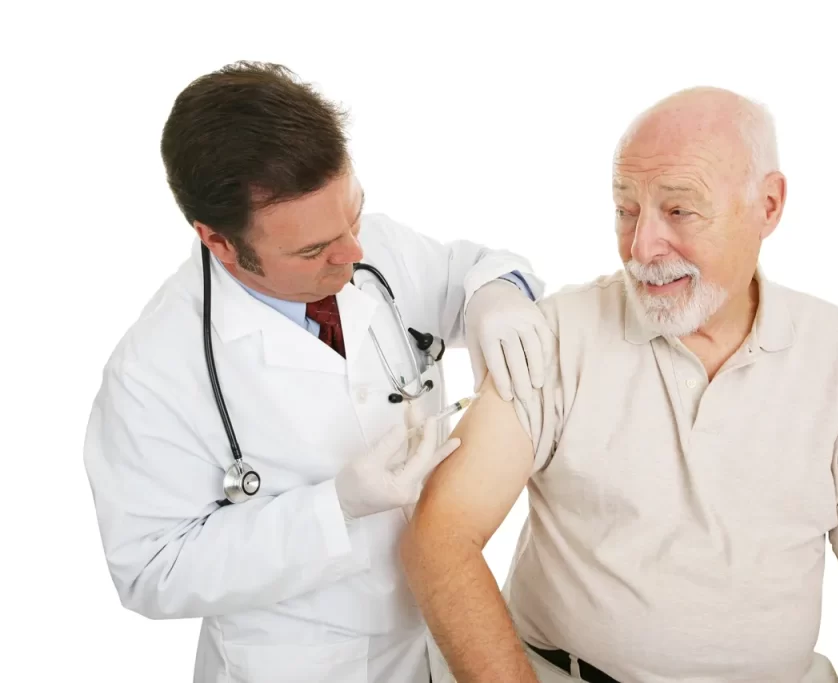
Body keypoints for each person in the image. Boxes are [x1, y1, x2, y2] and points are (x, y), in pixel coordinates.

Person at [401, 87, 838, 683]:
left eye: (679, 211)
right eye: (626, 210)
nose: (642, 248)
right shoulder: (559, 336)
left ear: (768, 205)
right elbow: (442, 534)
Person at [82, 61, 553, 683]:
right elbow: (151, 572)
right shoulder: (152, 372)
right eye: (313, 251)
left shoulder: (370, 247)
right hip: (302, 662)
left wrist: (498, 293)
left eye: (354, 216)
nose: (353, 253)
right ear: (218, 241)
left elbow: (477, 268)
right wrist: (334, 508)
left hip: (441, 631)